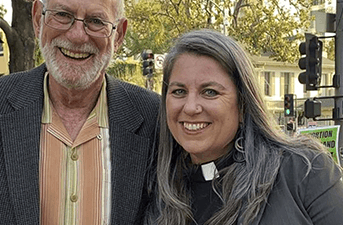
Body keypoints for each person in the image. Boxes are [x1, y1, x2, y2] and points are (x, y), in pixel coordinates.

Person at [0, 0, 160, 224]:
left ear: (119, 35)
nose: (78, 36)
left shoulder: (155, 119)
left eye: (96, 21)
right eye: (63, 15)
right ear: (38, 19)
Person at [143, 29, 343, 225]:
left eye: (210, 92)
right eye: (179, 91)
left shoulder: (303, 170)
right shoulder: (155, 191)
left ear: (243, 104)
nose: (190, 107)